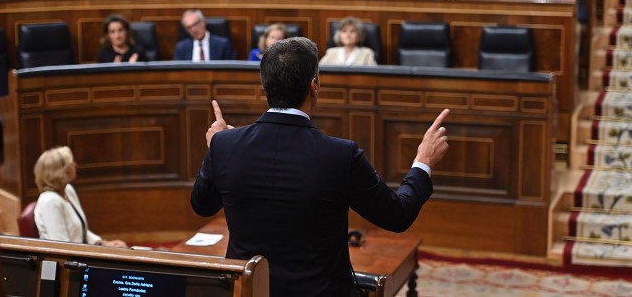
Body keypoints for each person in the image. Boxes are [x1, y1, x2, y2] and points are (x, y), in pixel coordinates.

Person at [191, 36, 449, 295]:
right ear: (314, 86)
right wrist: (423, 162)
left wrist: (215, 146)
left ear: (265, 87)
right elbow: (397, 215)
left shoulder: (225, 145)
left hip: (248, 292)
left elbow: (202, 205)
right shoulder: (340, 155)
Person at [33, 146, 127, 247]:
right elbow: (61, 246)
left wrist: (102, 243)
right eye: (70, 164)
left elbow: (80, 231)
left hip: (79, 253)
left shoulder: (68, 190)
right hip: (67, 260)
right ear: (61, 172)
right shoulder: (50, 202)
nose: (75, 165)